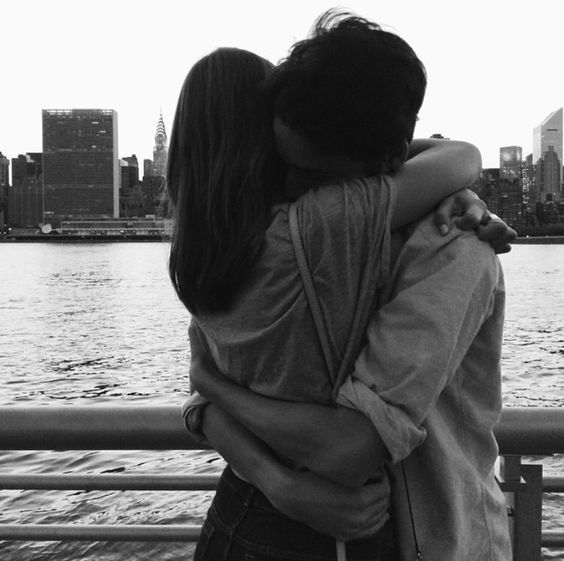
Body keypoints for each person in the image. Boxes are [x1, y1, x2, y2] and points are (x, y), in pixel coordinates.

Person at [168, 12, 514, 561]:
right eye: (286, 167)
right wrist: (458, 171)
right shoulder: (300, 235)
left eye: (312, 175)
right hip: (368, 534)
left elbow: (206, 394)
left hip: (251, 519)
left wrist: (221, 403)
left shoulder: (217, 255)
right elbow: (349, 447)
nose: (297, 189)